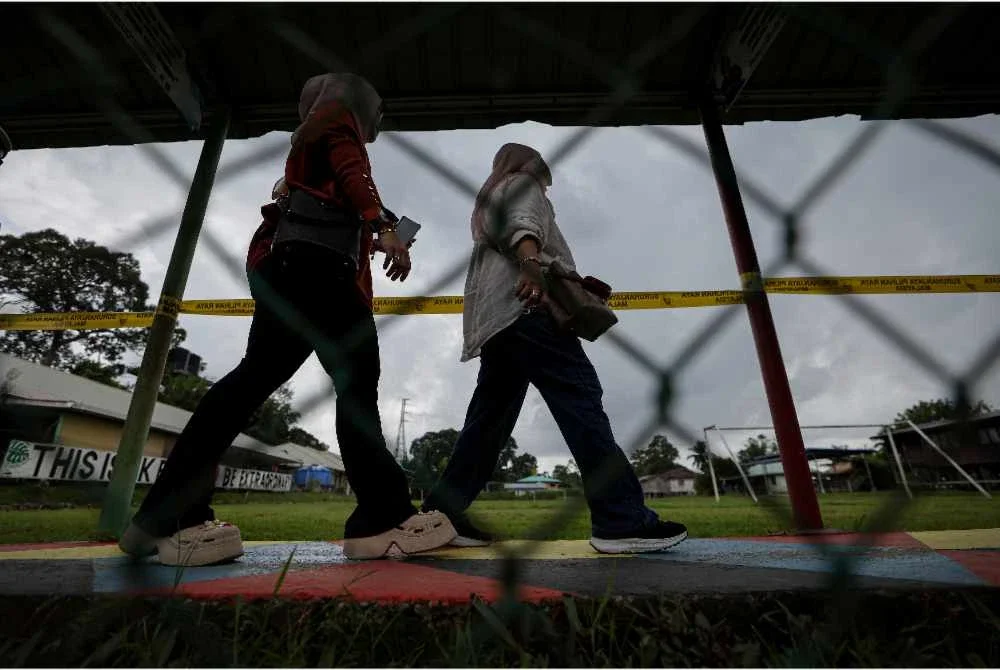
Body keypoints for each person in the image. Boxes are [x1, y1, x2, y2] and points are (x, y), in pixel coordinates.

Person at [119, 73, 456, 566]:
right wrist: (383, 226)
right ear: (357, 103)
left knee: (253, 381)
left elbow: (345, 184)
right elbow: (350, 169)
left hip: (293, 269)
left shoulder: (311, 150)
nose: (380, 119)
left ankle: (159, 518)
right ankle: (382, 519)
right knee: (356, 385)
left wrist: (383, 222)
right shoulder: (335, 124)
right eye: (377, 109)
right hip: (317, 269)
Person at [422, 143, 688, 554]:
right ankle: (621, 520)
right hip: (531, 309)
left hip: (498, 324)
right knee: (580, 398)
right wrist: (533, 266)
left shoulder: (488, 198)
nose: (545, 181)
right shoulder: (521, 184)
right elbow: (522, 225)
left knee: (488, 422)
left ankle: (442, 514)